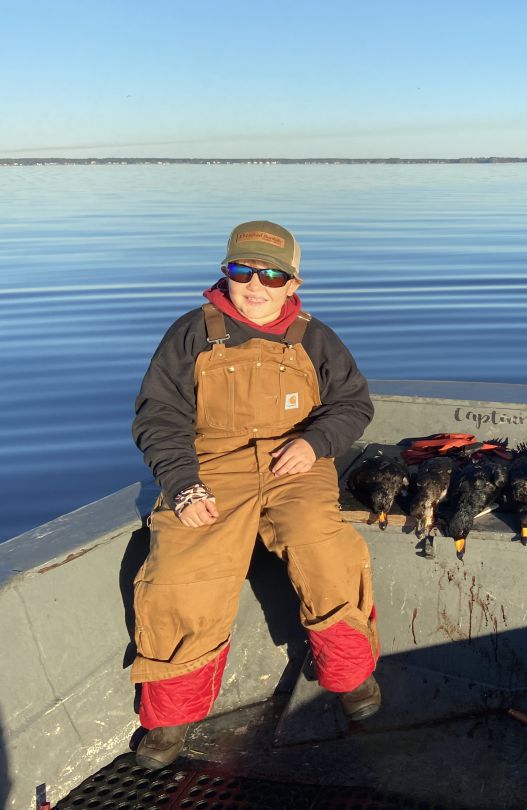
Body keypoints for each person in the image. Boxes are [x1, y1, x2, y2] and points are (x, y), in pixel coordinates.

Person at [131, 221, 380, 768]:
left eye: (272, 274)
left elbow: (353, 405)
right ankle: (173, 711)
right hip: (211, 464)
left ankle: (349, 677)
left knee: (323, 549)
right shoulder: (191, 333)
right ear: (226, 272)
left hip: (295, 460)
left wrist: (314, 443)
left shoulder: (316, 337)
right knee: (181, 572)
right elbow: (160, 417)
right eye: (242, 270)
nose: (256, 284)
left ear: (294, 283)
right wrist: (184, 484)